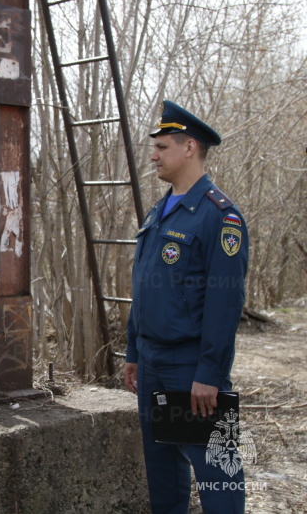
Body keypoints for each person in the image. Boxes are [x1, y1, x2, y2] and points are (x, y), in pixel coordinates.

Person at [123, 100, 249, 513]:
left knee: (219, 478)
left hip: (192, 366)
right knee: (164, 478)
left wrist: (211, 373)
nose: (153, 155)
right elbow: (144, 287)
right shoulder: (160, 210)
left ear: (189, 147)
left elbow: (225, 303)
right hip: (154, 363)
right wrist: (135, 353)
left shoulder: (219, 216)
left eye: (161, 147)